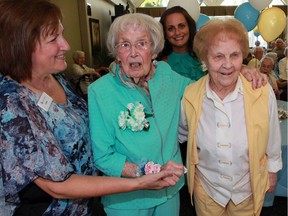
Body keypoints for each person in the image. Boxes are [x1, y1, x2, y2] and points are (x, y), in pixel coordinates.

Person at [0, 1, 185, 215]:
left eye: (142, 44)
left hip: (87, 204)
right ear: (23, 45)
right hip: (51, 209)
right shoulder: (9, 103)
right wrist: (141, 180)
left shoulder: (56, 78)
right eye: (54, 39)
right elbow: (56, 185)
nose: (66, 45)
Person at [88, 13, 267, 216]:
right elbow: (103, 157)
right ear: (116, 53)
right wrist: (146, 173)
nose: (134, 53)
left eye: (142, 44)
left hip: (169, 192)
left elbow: (203, 89)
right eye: (125, 45)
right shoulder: (100, 92)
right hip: (128, 197)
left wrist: (238, 68)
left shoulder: (167, 76)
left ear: (154, 50)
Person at [179, 18, 282, 216]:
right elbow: (182, 132)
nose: (228, 65)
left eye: (234, 55)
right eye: (218, 56)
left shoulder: (261, 91)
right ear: (204, 59)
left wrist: (271, 172)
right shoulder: (191, 95)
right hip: (207, 189)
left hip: (247, 189)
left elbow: (272, 136)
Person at [158, 6, 205, 81]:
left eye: (181, 26)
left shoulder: (204, 56)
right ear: (164, 33)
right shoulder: (161, 64)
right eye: (171, 28)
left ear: (189, 27)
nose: (177, 32)